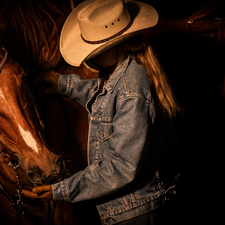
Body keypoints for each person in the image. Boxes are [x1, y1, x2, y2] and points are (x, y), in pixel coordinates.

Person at [23, 0, 182, 224]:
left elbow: (122, 166)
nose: (90, 56)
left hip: (135, 212)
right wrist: (65, 85)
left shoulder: (132, 87)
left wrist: (62, 190)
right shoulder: (121, 72)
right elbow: (107, 97)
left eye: (97, 50)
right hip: (128, 208)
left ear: (119, 43)